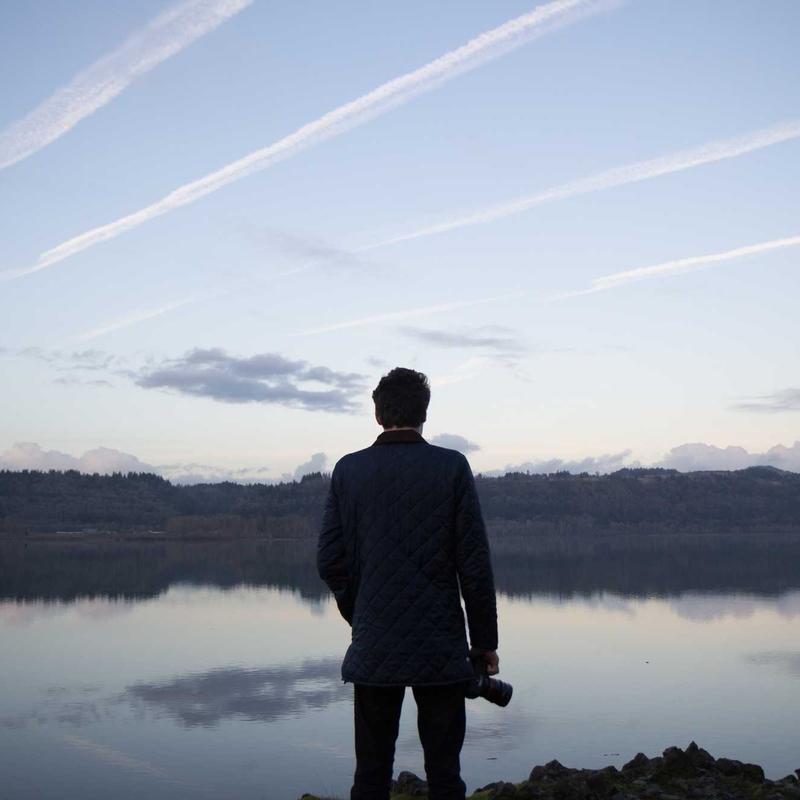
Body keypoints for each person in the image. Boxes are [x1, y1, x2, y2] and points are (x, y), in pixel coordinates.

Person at [317, 366, 499, 800]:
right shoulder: (452, 467)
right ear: (424, 414)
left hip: (375, 643)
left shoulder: (349, 470)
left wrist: (361, 614)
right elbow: (473, 564)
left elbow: (329, 560)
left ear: (378, 416)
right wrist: (485, 643)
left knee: (371, 775)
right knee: (445, 775)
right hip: (441, 645)